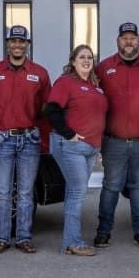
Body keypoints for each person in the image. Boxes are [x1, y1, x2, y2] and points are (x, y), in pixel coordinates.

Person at [94, 22, 139, 249]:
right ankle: (103, 232)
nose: (128, 42)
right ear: (118, 41)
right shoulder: (104, 68)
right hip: (113, 141)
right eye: (124, 37)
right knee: (111, 186)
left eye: (132, 38)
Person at [0, 25, 51, 254]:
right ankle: (2, 238)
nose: (18, 45)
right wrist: (3, 120)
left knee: (25, 192)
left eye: (22, 42)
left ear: (27, 45)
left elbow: (43, 105)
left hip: (29, 139)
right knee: (2, 192)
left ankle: (23, 238)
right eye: (14, 41)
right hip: (2, 139)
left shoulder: (39, 73)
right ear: (8, 44)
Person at [46, 45, 108, 256]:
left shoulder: (95, 86)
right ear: (73, 61)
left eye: (90, 57)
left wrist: (97, 144)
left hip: (90, 148)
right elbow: (51, 111)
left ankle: (70, 241)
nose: (86, 60)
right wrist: (69, 133)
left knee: (75, 191)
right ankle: (72, 242)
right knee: (77, 192)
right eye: (81, 57)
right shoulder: (66, 83)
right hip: (71, 146)